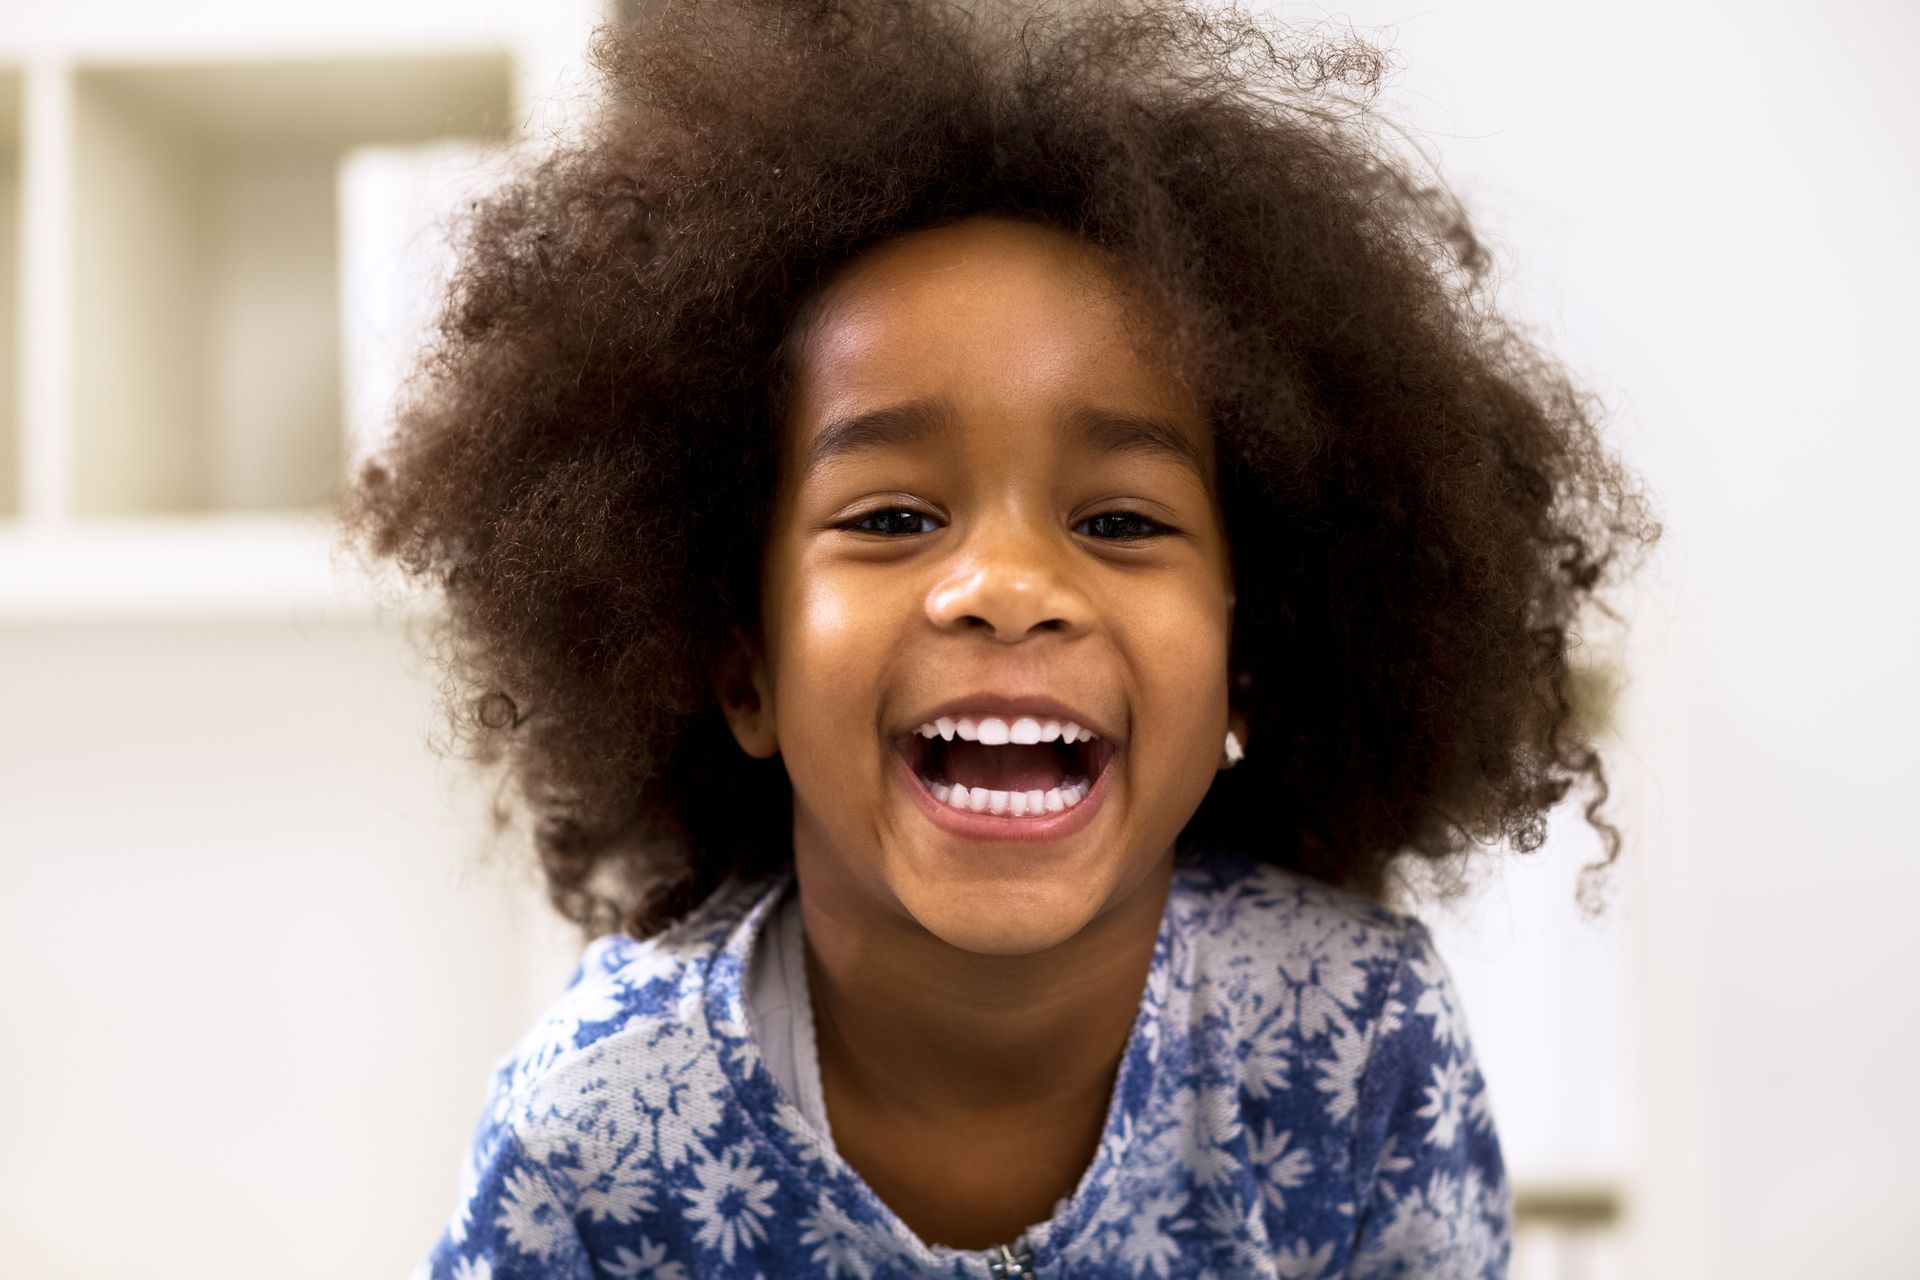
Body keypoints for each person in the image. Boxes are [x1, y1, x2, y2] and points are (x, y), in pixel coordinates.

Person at [338, 0, 1660, 1275]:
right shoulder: (599, 1126)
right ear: (741, 664)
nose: (1008, 585)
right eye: (896, 513)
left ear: (1251, 664)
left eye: (1125, 522)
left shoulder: (1361, 1039)